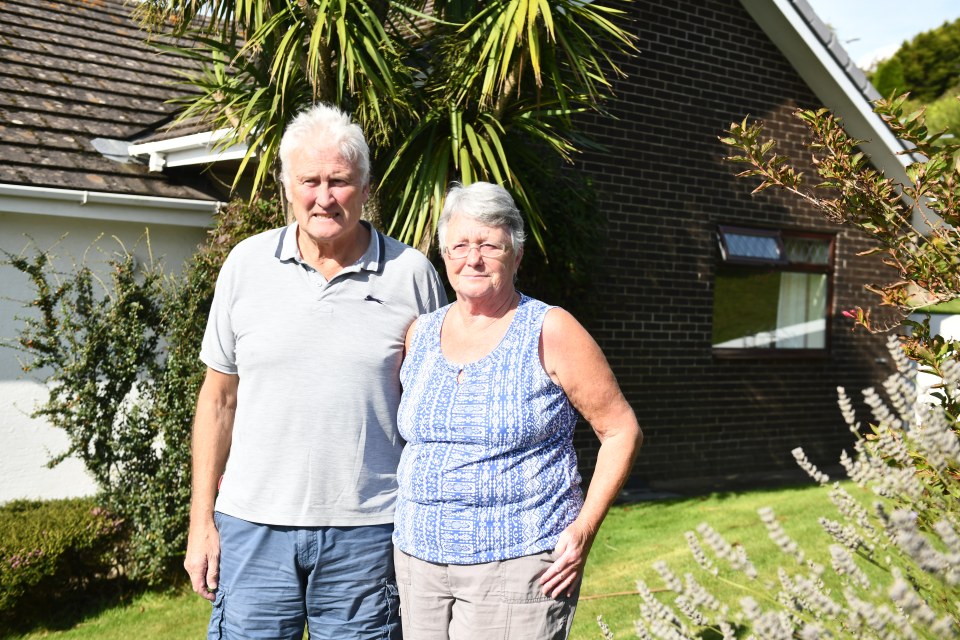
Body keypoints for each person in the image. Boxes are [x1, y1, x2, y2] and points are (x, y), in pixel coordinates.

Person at [183, 103, 447, 640]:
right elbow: (217, 401)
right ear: (286, 186)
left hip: (369, 532)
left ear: (366, 187)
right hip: (253, 527)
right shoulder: (245, 266)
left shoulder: (412, 276)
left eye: (340, 181)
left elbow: (432, 410)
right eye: (310, 180)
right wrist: (200, 522)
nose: (323, 197)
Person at [392, 181, 642, 639]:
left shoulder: (550, 329)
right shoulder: (420, 335)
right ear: (444, 254)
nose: (473, 258)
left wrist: (584, 528)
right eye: (461, 245)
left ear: (516, 254)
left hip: (519, 561)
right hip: (417, 561)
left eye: (490, 245)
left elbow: (622, 430)